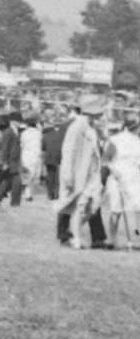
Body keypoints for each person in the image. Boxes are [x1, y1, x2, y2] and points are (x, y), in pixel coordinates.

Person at [58, 97, 108, 250]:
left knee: (92, 207)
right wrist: (68, 174)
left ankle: (73, 233)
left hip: (92, 174)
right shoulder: (77, 127)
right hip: (79, 174)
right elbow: (68, 151)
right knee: (79, 207)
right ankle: (75, 238)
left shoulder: (91, 127)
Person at [101, 113, 140, 250]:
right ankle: (111, 240)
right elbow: (105, 160)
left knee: (138, 208)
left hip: (134, 179)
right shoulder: (115, 139)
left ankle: (137, 239)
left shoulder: (138, 141)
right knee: (115, 209)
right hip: (117, 179)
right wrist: (113, 170)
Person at [18, 113, 45, 208]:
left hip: (27, 155)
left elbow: (22, 145)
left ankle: (27, 193)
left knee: (27, 175)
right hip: (36, 156)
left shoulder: (24, 133)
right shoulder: (39, 133)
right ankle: (28, 194)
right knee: (33, 176)